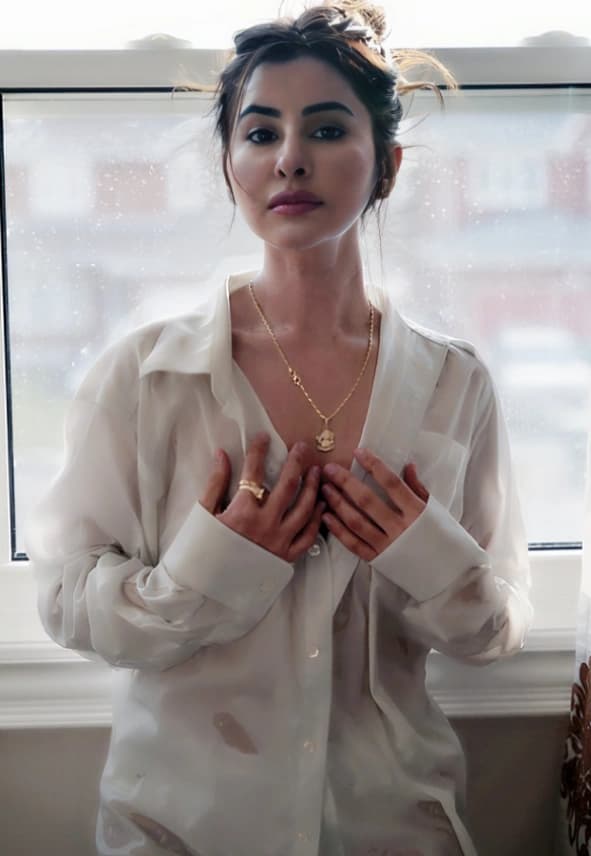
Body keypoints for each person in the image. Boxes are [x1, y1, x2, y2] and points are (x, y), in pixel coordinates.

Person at [26, 3, 533, 854]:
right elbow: (64, 602)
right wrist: (212, 566)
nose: (290, 157)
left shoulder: (455, 385)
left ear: (387, 166)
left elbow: (496, 629)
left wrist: (421, 549)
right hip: (178, 831)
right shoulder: (144, 377)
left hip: (393, 828)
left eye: (326, 129)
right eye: (260, 133)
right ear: (229, 165)